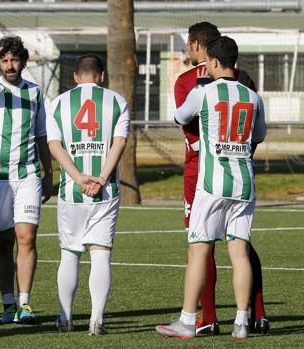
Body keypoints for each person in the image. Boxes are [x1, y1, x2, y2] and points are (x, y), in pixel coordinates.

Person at [156, 36, 267, 340]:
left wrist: (199, 87)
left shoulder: (204, 92)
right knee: (240, 253)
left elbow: (179, 116)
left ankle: (187, 320)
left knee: (199, 252)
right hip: (244, 182)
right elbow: (259, 134)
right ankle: (242, 321)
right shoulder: (252, 96)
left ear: (213, 63)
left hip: (211, 183)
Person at [0, 35, 53, 324]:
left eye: (14, 59)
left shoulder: (35, 93)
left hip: (28, 175)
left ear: (23, 62)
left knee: (26, 238)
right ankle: (7, 303)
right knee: (3, 242)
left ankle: (25, 303)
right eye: (4, 60)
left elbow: (42, 136)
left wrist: (48, 174)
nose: (9, 65)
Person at [47, 55, 129, 335]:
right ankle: (96, 321)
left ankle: (65, 318)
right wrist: (102, 177)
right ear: (102, 76)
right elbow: (120, 143)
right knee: (101, 254)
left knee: (69, 254)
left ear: (75, 77)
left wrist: (78, 177)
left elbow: (54, 145)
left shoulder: (58, 103)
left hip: (72, 191)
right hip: (105, 191)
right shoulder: (117, 102)